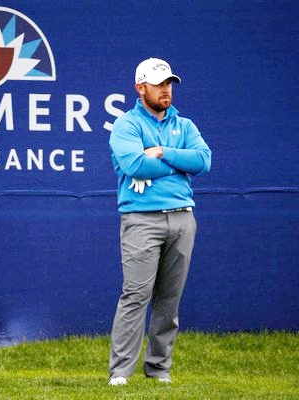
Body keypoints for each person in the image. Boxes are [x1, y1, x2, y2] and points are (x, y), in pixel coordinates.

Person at [107, 57, 212, 386]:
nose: (166, 89)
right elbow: (136, 165)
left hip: (183, 219)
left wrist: (163, 152)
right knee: (136, 295)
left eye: (169, 83)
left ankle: (158, 368)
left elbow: (203, 160)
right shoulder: (126, 125)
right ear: (141, 88)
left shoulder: (186, 125)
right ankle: (120, 372)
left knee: (170, 298)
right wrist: (179, 165)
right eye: (158, 84)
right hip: (141, 220)